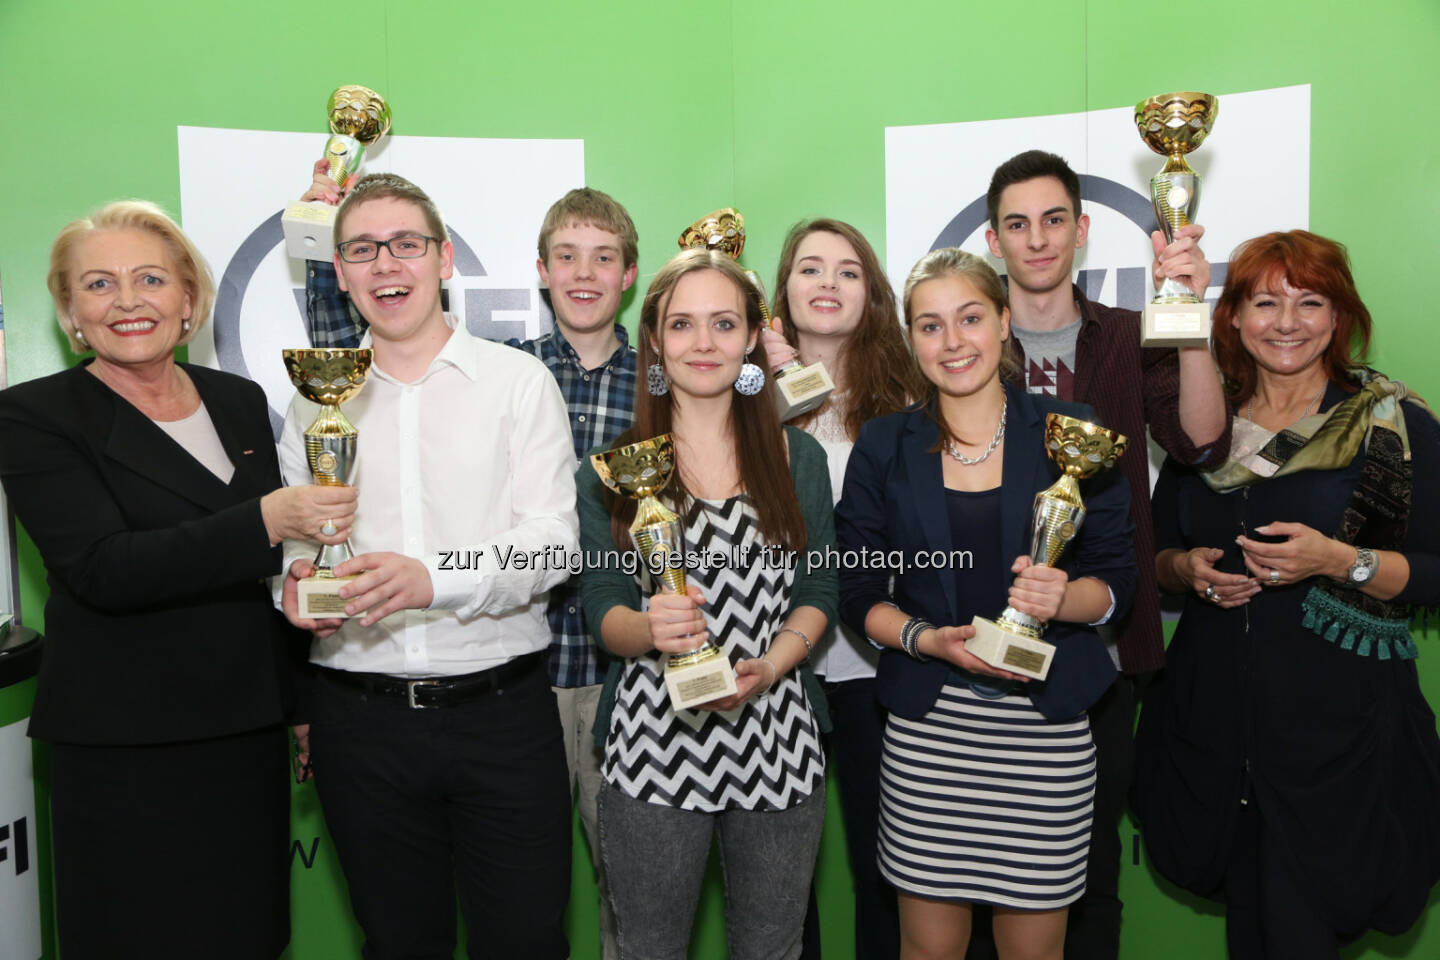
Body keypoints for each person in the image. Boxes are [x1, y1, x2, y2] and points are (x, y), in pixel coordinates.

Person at [0, 200, 356, 958]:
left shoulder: (237, 400)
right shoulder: (33, 416)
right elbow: (101, 568)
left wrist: (298, 700)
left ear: (189, 300)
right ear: (69, 313)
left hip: (246, 732)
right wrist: (265, 520)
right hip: (126, 745)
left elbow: (263, 579)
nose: (127, 300)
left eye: (150, 278)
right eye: (98, 284)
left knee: (249, 934)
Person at [276, 173, 580, 959]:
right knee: (397, 944)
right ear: (338, 271)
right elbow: (299, 538)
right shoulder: (315, 399)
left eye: (405, 244)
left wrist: (432, 578)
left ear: (443, 259)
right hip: (358, 724)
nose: (386, 265)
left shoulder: (518, 382)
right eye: (362, 249)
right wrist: (295, 582)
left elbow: (555, 542)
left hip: (501, 720)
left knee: (525, 942)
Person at [1134, 230, 1440, 958]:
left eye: (1311, 302)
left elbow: (1436, 570)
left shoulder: (1391, 426)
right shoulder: (1203, 433)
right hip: (1216, 731)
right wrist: (1188, 572)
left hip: (1341, 737)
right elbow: (1153, 555)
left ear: (1339, 318)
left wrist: (1340, 559)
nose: (1287, 321)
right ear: (1232, 317)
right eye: (1265, 301)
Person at [835, 248, 1135, 960]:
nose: (953, 342)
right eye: (930, 326)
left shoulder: (1071, 430)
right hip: (931, 729)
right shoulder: (883, 445)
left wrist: (1062, 599)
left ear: (1004, 322)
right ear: (912, 339)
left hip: (1047, 729)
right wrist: (925, 639)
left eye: (970, 318)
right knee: (928, 950)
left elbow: (1116, 582)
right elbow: (856, 588)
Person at [980, 149, 1230, 958]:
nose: (1038, 240)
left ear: (1082, 230)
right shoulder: (966, 346)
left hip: (1105, 646)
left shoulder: (1130, 333)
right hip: (983, 642)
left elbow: (1198, 439)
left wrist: (1189, 315)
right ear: (993, 240)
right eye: (1018, 224)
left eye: (1054, 220)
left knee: (1088, 879)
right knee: (977, 877)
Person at [576, 248, 837, 960]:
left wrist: (773, 667)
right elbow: (601, 606)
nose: (704, 343)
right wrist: (649, 629)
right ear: (655, 339)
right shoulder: (614, 466)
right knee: (650, 950)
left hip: (778, 736)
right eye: (682, 325)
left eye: (723, 324)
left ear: (753, 337)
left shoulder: (797, 458)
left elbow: (818, 590)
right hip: (654, 743)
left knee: (772, 950)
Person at [760, 217, 923, 960]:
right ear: (783, 291)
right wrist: (762, 389)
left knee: (884, 867)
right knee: (776, 880)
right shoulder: (737, 389)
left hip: (872, 661)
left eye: (848, 271)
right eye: (810, 269)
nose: (828, 284)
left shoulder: (916, 392)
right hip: (772, 663)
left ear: (873, 293)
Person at [512, 187, 640, 960]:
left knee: (629, 881)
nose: (584, 273)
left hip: (624, 667)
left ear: (629, 274)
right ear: (541, 270)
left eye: (603, 257)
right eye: (568, 256)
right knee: (522, 887)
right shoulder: (503, 374)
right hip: (518, 664)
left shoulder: (665, 383)